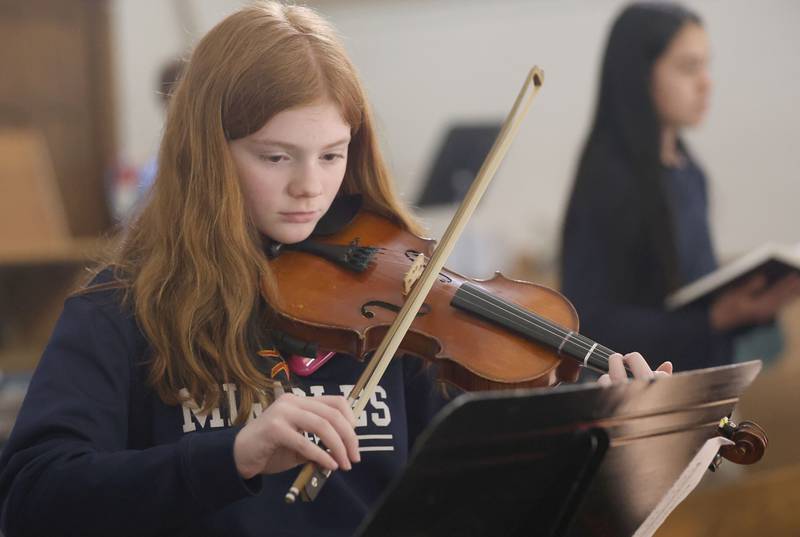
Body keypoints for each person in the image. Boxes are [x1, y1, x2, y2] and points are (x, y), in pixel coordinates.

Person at [0, 2, 669, 536]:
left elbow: (467, 500)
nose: (309, 188)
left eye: (331, 153)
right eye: (274, 156)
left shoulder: (396, 302)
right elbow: (33, 498)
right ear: (207, 155)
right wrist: (235, 455)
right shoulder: (119, 311)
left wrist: (603, 449)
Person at [560, 1, 800, 373]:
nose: (707, 81)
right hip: (641, 396)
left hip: (700, 378)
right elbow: (590, 322)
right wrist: (715, 319)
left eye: (706, 65)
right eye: (689, 67)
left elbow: (695, 297)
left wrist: (751, 306)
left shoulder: (690, 172)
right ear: (640, 76)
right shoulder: (608, 180)